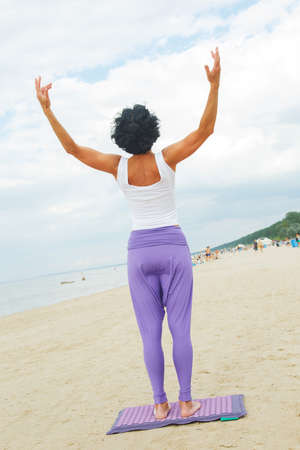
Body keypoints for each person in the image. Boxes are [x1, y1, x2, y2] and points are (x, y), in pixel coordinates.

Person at [35, 47, 221, 421]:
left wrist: (47, 109)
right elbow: (206, 130)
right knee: (179, 328)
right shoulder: (166, 159)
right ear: (152, 131)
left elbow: (71, 149)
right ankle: (186, 402)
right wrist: (214, 85)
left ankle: (159, 404)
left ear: (121, 137)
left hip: (139, 252)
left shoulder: (115, 166)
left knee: (150, 332)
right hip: (172, 245)